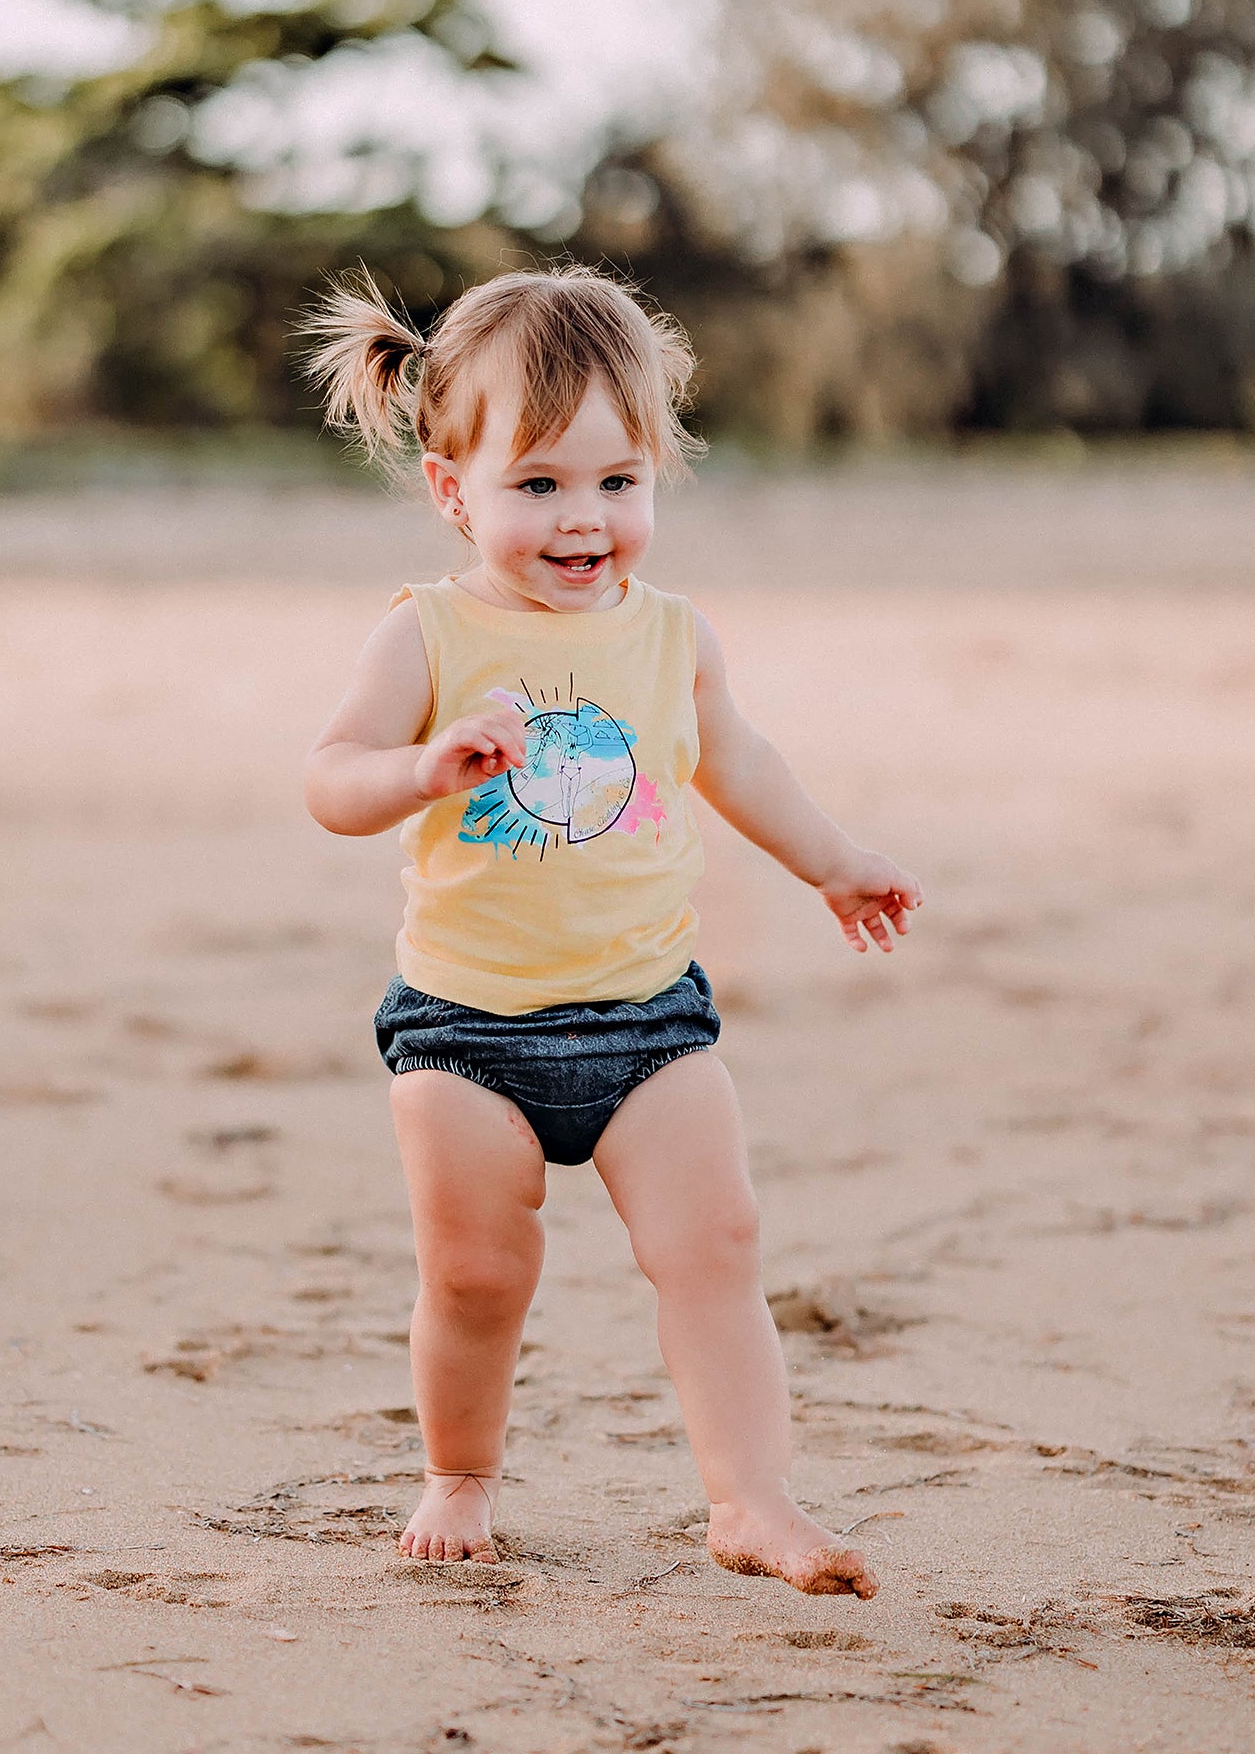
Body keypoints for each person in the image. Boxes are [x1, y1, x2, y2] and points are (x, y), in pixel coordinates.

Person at [301, 265, 922, 1599]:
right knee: (474, 1274)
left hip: (648, 1018)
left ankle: (749, 1500)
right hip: (465, 1031)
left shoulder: (671, 638)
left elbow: (737, 761)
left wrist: (834, 860)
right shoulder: (429, 634)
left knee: (718, 1243)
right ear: (450, 487)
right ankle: (459, 1472)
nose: (583, 519)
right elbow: (330, 775)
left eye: (616, 481)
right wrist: (418, 773)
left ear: (654, 476)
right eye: (537, 486)